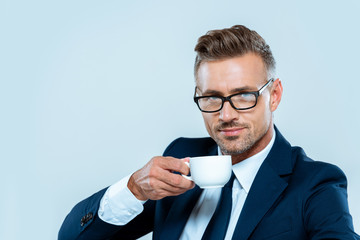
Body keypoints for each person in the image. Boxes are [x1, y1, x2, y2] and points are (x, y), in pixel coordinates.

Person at [58, 25, 359, 240]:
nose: (226, 115)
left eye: (244, 96)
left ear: (275, 95)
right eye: (212, 98)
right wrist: (134, 190)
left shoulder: (315, 184)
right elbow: (72, 237)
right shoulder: (181, 158)